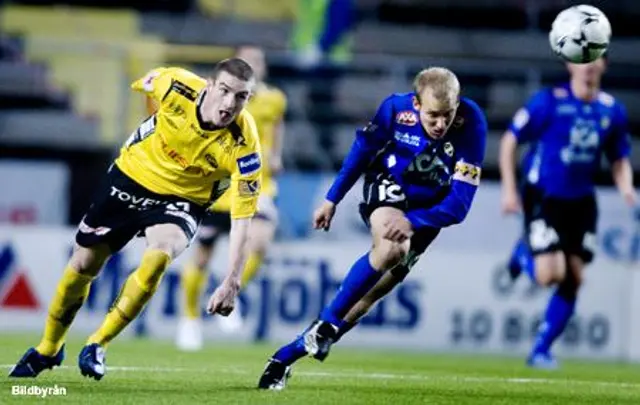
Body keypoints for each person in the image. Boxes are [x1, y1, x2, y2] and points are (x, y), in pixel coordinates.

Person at [9, 59, 263, 380]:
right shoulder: (174, 85)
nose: (229, 104)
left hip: (183, 199)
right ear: (209, 84)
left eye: (241, 97)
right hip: (131, 177)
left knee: (160, 255)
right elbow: (146, 83)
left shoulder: (245, 142)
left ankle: (98, 343)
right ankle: (48, 348)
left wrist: (232, 280)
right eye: (224, 91)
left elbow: (243, 218)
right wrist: (154, 124)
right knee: (83, 265)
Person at [257, 67, 488, 390]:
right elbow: (362, 152)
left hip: (428, 210)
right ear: (417, 104)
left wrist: (415, 221)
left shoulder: (472, 121)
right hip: (388, 186)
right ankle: (325, 326)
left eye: (447, 115)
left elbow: (460, 203)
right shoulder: (395, 109)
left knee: (368, 298)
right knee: (393, 249)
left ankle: (285, 357)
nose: (440, 124)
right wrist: (332, 199)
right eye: (433, 115)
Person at [499, 55, 636, 369]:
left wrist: (626, 187)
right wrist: (509, 190)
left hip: (581, 202)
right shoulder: (548, 101)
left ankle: (541, 350)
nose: (588, 66)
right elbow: (509, 140)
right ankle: (524, 254)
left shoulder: (612, 110)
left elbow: (619, 157)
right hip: (544, 196)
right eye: (582, 60)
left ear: (604, 65)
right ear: (570, 65)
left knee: (574, 278)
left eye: (595, 60)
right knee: (550, 275)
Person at [176, 46, 287, 350]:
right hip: (218, 184)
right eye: (248, 61)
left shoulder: (274, 99)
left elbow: (277, 127)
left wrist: (276, 155)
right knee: (201, 256)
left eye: (259, 61)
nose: (254, 65)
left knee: (261, 241)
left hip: (256, 184)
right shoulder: (221, 94)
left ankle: (227, 291)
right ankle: (189, 320)